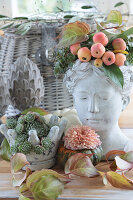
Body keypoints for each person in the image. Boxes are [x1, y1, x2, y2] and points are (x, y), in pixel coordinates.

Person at [64, 59, 133, 156]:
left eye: (104, 98)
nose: (92, 109)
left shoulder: (128, 150)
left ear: (124, 102)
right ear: (74, 101)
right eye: (83, 97)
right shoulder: (68, 152)